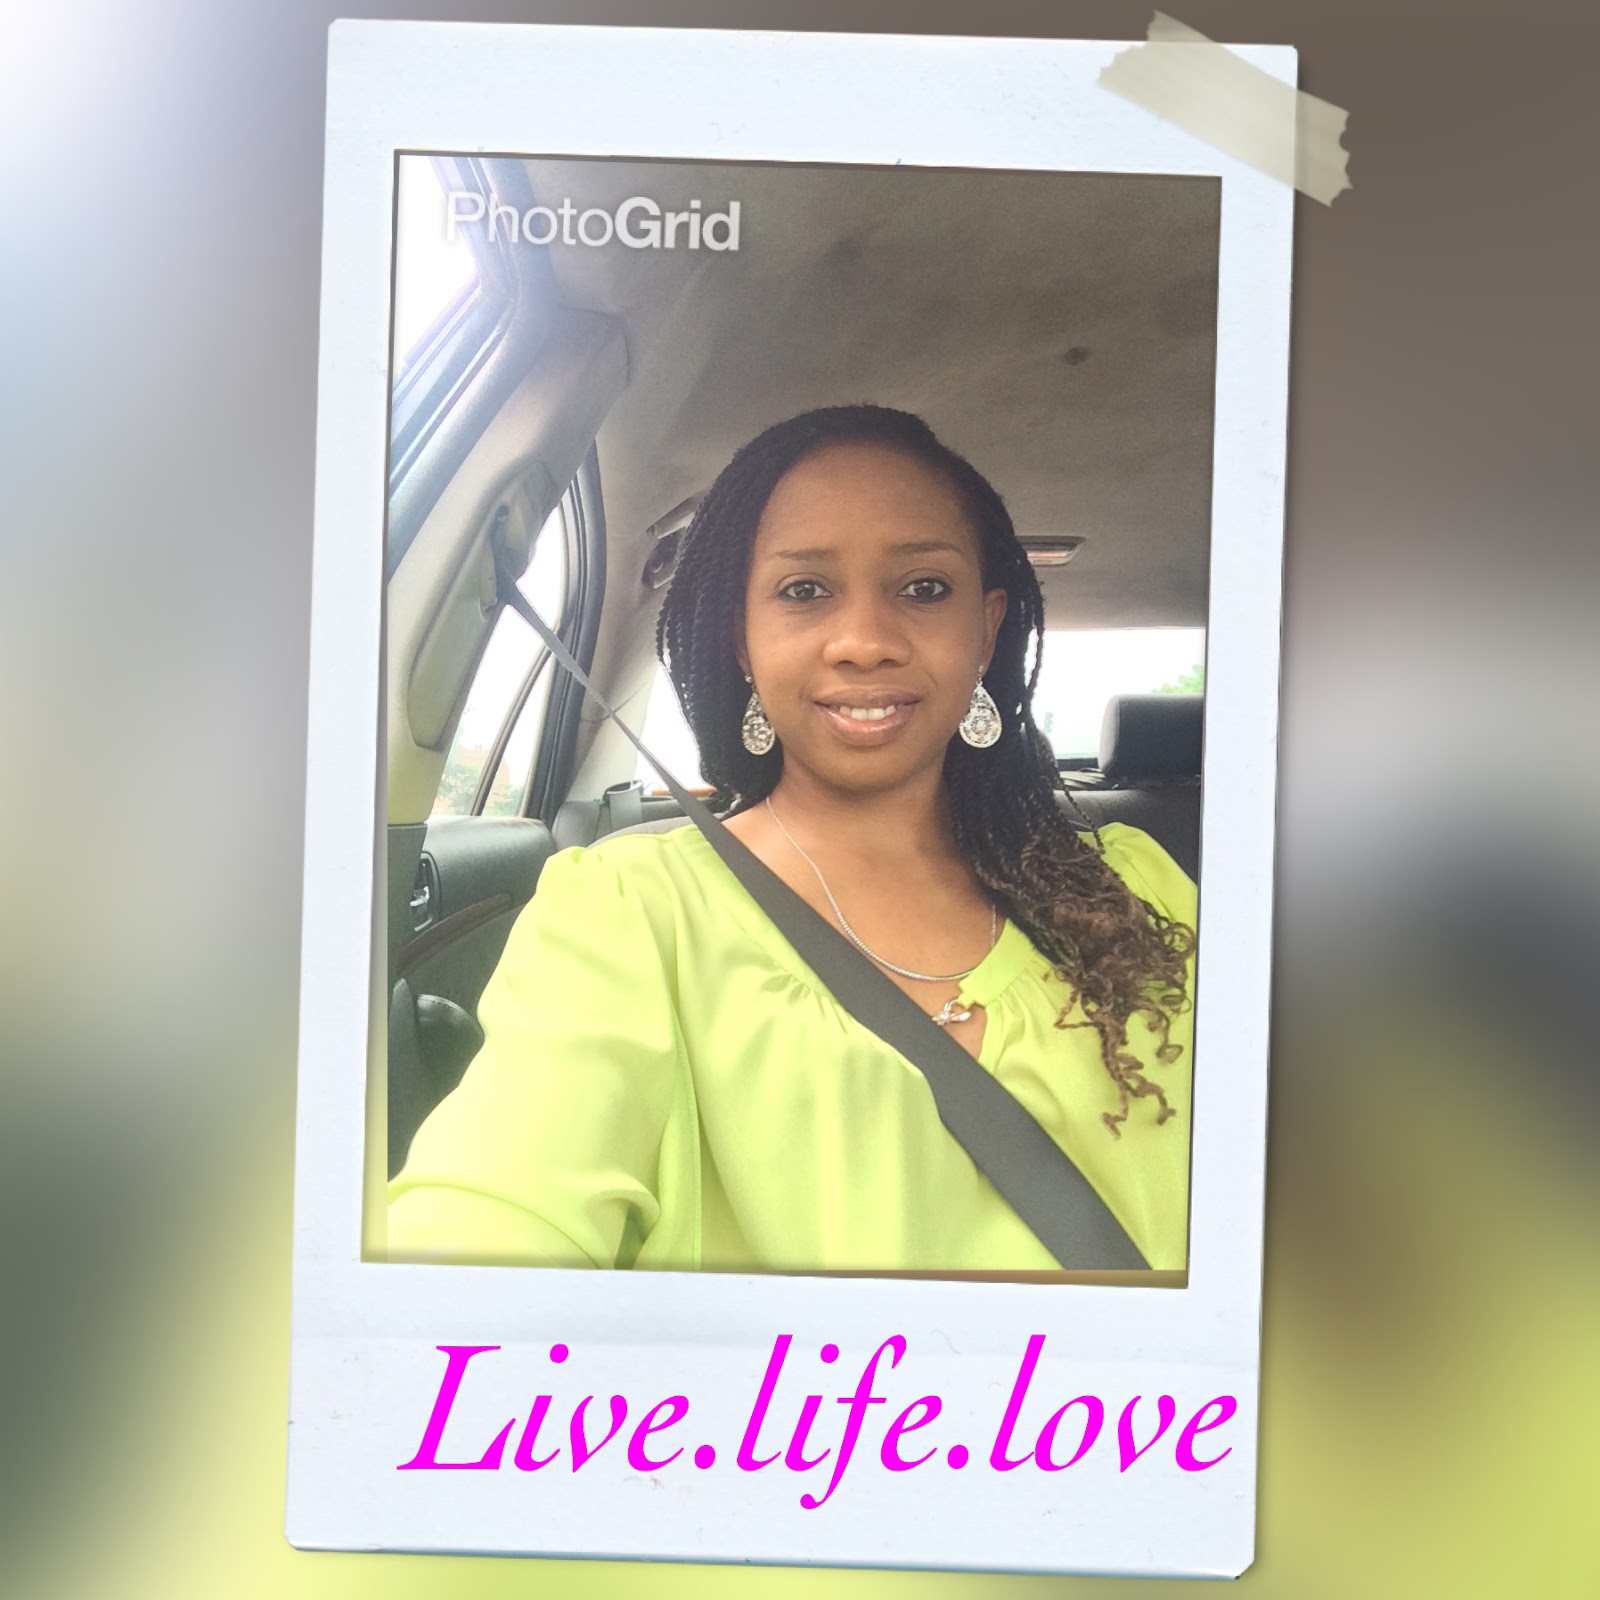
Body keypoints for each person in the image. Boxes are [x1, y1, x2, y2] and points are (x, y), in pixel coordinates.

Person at [387, 405, 1196, 1273]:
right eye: (804, 591)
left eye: (925, 588)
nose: (865, 643)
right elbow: (490, 1215)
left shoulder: (1134, 886)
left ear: (986, 630)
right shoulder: (630, 910)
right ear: (741, 638)